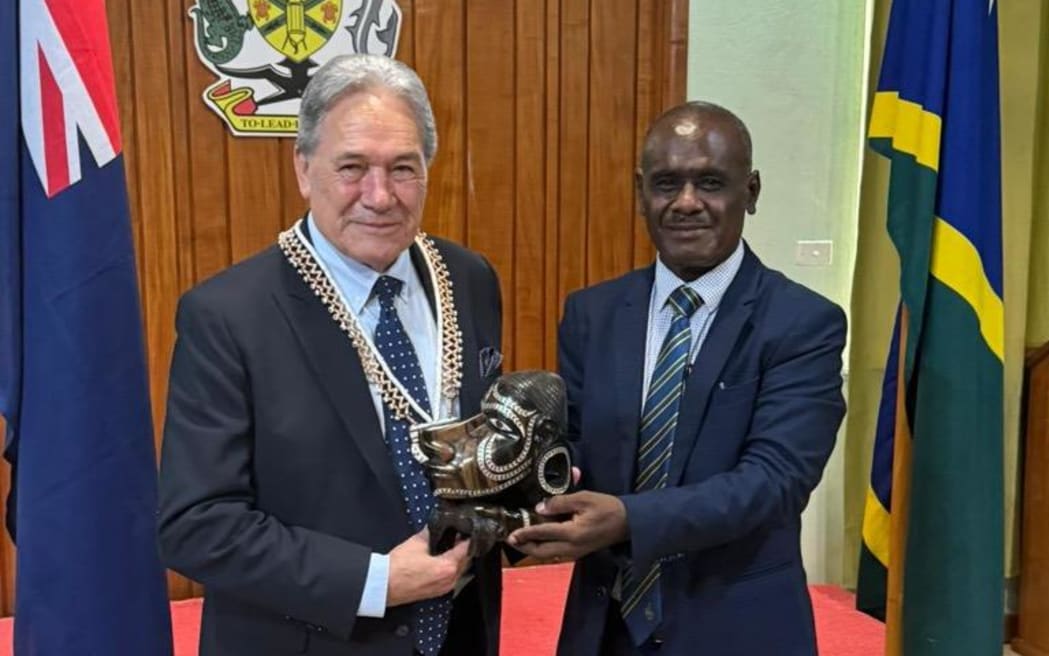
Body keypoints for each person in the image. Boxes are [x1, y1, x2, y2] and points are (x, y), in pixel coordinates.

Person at [157, 54, 504, 656]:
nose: (380, 196)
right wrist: (375, 582)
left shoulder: (468, 278)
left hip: (461, 634)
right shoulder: (228, 315)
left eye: (403, 168)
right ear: (303, 168)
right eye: (352, 168)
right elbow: (196, 525)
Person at [509, 101, 847, 655]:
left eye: (710, 182)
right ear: (641, 192)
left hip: (736, 627)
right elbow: (570, 447)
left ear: (752, 191)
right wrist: (521, 491)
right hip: (605, 627)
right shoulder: (592, 313)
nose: (687, 203)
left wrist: (626, 520)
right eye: (667, 183)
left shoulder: (803, 322)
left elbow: (775, 480)